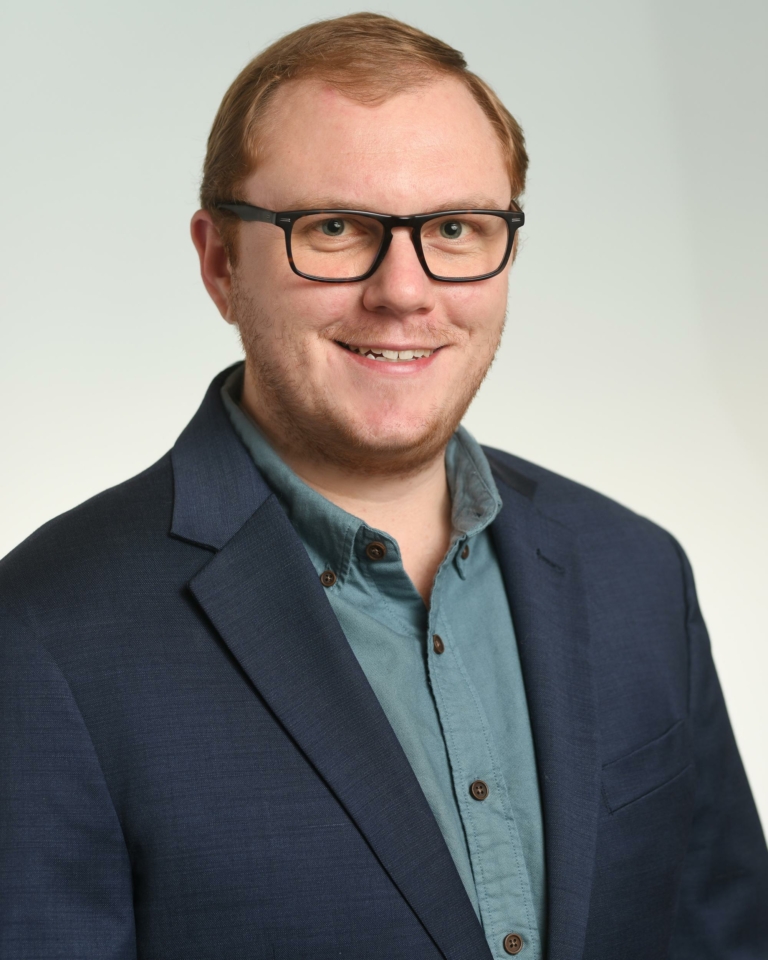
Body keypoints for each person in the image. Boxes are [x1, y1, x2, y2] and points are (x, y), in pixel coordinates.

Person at [1, 12, 766, 960]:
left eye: (455, 228)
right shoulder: (46, 636)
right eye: (333, 227)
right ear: (220, 263)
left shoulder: (637, 573)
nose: (404, 291)